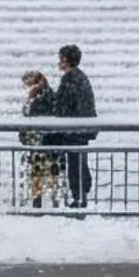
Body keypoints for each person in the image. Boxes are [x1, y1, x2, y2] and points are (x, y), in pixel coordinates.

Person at [50, 43, 97, 208]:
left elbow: (64, 106)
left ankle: (79, 196)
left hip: (74, 131)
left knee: (75, 164)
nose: (58, 62)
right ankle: (81, 193)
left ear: (65, 60)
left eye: (60, 59)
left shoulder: (71, 79)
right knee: (79, 162)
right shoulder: (80, 77)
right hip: (81, 129)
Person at [19, 70, 60, 209]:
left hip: (44, 142)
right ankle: (40, 200)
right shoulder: (35, 98)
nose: (29, 88)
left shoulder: (46, 97)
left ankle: (51, 201)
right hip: (38, 142)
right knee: (38, 174)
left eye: (30, 84)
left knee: (49, 173)